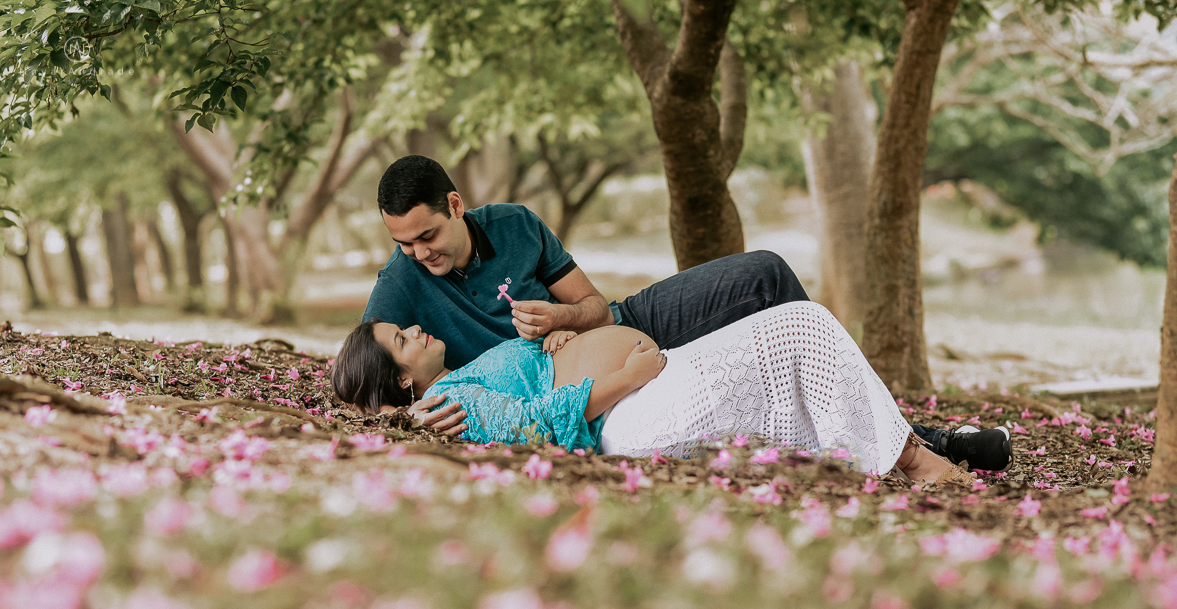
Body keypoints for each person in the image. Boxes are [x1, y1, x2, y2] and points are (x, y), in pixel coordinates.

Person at [361, 155, 1012, 472]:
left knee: (765, 274)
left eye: (427, 237)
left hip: (619, 321)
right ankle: (924, 445)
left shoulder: (516, 226)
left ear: (454, 205)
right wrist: (411, 414)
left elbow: (591, 301)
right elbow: (364, 372)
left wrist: (565, 322)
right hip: (592, 383)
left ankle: (874, 426)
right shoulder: (402, 287)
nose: (420, 254)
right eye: (404, 244)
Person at [332, 301, 976, 486]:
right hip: (632, 410)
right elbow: (535, 423)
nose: (415, 328)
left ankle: (895, 456)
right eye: (401, 338)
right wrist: (625, 377)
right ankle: (914, 462)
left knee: (794, 331)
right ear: (400, 380)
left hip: (642, 393)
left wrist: (553, 341)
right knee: (797, 325)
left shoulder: (463, 379)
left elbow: (529, 384)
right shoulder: (448, 401)